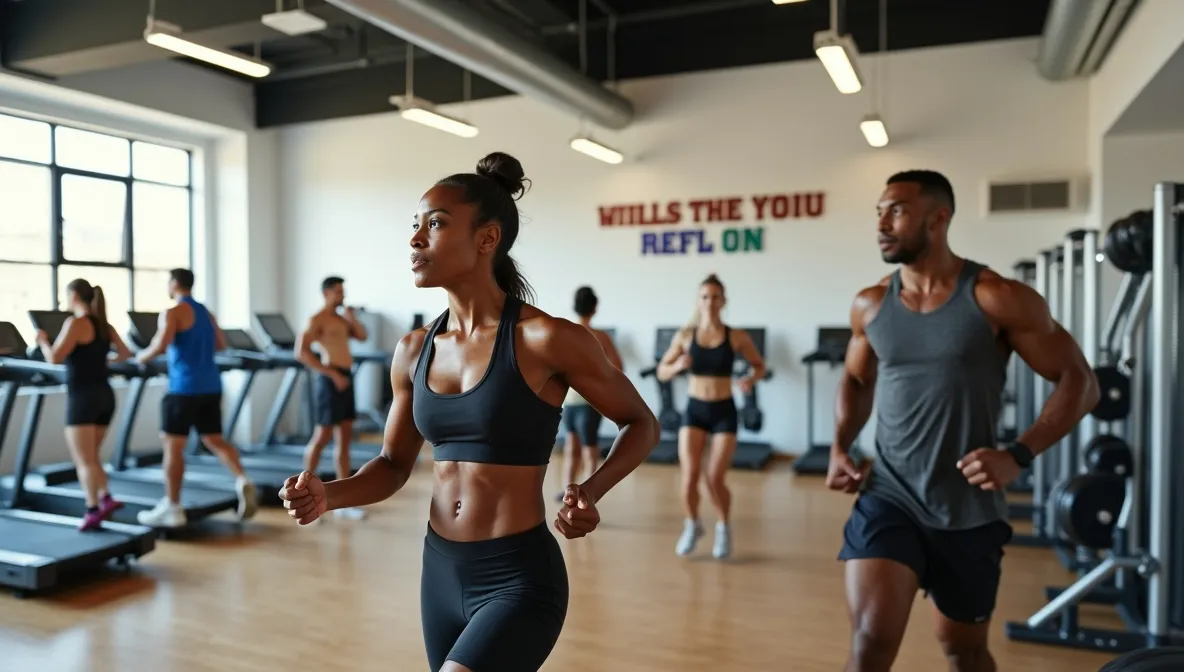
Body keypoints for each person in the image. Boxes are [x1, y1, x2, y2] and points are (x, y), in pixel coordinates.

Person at [278, 152, 660, 672]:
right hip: (439, 572)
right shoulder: (413, 351)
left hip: (518, 577)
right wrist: (329, 495)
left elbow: (642, 423)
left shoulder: (548, 339)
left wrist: (589, 491)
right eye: (414, 225)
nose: (415, 240)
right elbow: (392, 466)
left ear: (487, 239)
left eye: (434, 224)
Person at [828, 170, 1100, 672]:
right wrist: (840, 445)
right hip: (889, 495)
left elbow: (1079, 381)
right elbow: (857, 380)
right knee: (868, 644)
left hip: (968, 508)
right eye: (879, 212)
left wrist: (1018, 454)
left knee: (963, 651)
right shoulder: (870, 305)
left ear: (939, 218)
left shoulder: (996, 297)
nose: (882, 224)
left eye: (897, 211)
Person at [133, 268, 258, 528]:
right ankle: (242, 479)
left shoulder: (172, 313)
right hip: (210, 386)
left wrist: (139, 358)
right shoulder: (205, 312)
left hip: (183, 389)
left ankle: (173, 506)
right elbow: (220, 344)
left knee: (172, 446)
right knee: (214, 439)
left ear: (174, 284)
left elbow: (160, 344)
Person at [655, 274, 766, 559]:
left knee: (714, 478)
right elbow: (661, 372)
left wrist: (751, 379)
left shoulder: (737, 336)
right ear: (699, 300)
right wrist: (677, 365)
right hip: (694, 410)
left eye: (716, 297)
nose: (710, 302)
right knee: (689, 477)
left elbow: (759, 366)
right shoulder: (685, 335)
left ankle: (723, 527)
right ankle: (692, 525)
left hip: (723, 411)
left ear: (723, 301)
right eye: (705, 296)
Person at [35, 280, 133, 531]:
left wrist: (43, 341)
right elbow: (125, 353)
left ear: (75, 296)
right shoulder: (104, 325)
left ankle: (92, 509)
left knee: (84, 460)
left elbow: (55, 358)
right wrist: (103, 361)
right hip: (105, 396)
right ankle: (106, 497)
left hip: (83, 398)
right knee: (92, 456)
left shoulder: (75, 323)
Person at [295, 275, 368, 520]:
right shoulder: (317, 319)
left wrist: (351, 317)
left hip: (345, 377)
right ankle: (301, 492)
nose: (343, 295)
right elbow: (301, 352)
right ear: (327, 293)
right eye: (338, 291)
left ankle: (343, 502)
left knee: (345, 436)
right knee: (322, 435)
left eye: (343, 291)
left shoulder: (341, 319)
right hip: (330, 378)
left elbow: (362, 336)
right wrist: (330, 374)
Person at [556, 286, 623, 501]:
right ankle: (587, 495)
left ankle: (569, 493)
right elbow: (618, 366)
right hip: (589, 403)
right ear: (594, 309)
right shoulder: (599, 336)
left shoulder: (565, 333)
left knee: (571, 447)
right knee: (588, 449)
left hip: (570, 403)